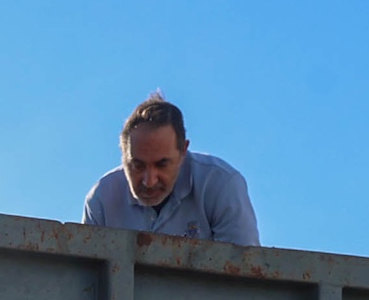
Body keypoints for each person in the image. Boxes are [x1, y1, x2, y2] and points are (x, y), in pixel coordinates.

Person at [79, 94, 260, 247]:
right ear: (122, 155)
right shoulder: (101, 200)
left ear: (183, 151)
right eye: (137, 166)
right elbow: (87, 282)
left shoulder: (222, 184)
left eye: (162, 164)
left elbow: (242, 280)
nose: (149, 181)